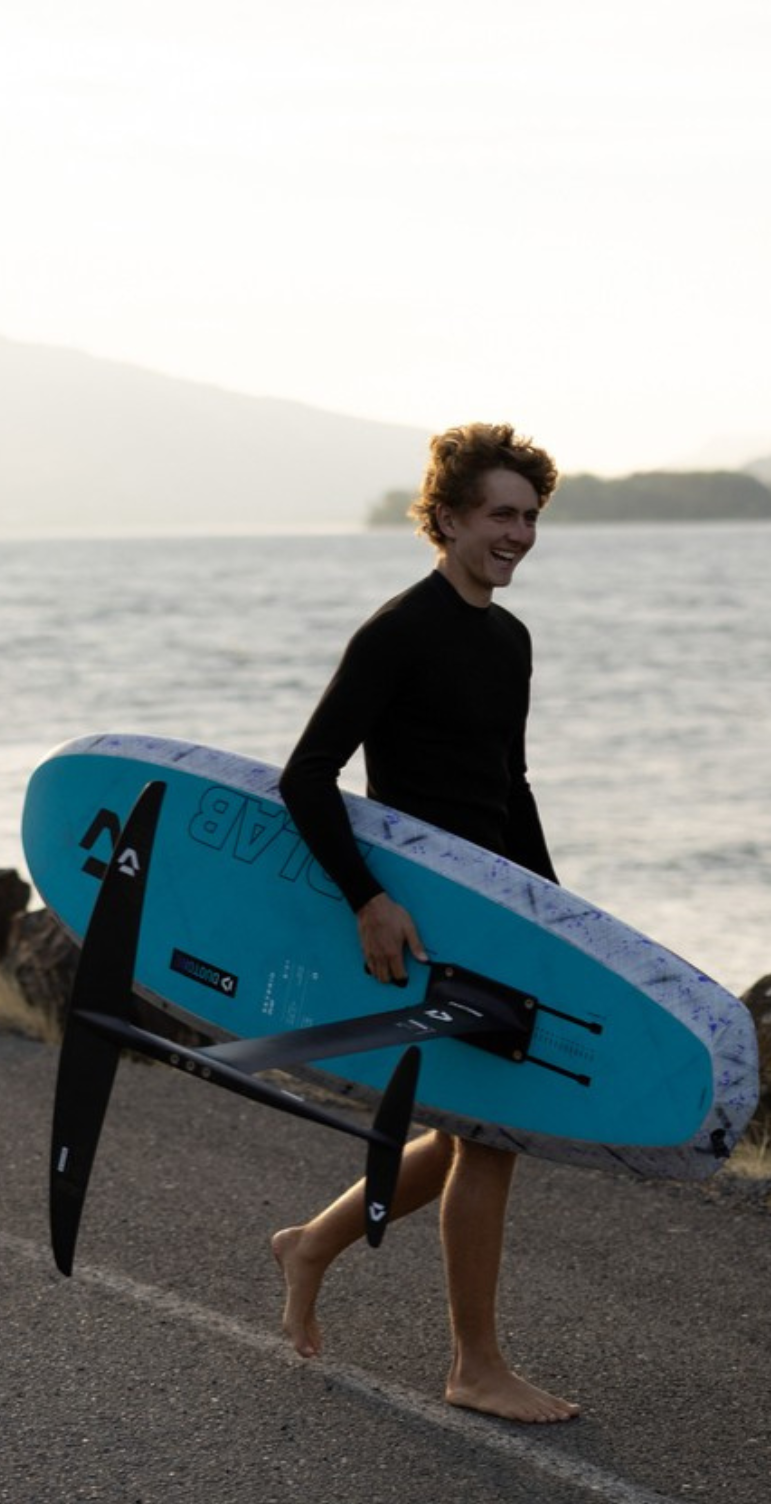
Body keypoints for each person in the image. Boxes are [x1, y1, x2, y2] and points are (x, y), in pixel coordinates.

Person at [273, 421, 580, 1425]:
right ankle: (473, 1365)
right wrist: (368, 898)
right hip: (429, 913)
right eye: (500, 514)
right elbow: (306, 776)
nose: (518, 534)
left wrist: (555, 915)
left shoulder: (508, 638)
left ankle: (311, 1243)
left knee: (471, 1130)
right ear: (445, 517)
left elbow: (509, 786)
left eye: (529, 517)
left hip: (495, 910)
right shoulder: (400, 631)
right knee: (487, 1134)